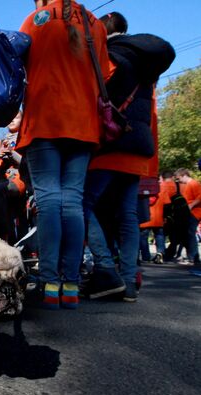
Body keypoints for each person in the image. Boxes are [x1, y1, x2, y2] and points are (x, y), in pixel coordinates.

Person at [15, 0, 109, 310]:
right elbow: (104, 75)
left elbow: (17, 67)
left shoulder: (35, 20)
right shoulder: (94, 23)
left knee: (49, 202)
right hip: (83, 125)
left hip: (45, 120)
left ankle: (49, 284)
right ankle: (70, 285)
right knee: (72, 201)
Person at [82, 12, 175, 302]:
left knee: (83, 205)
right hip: (137, 146)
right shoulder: (147, 65)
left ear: (103, 30)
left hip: (109, 143)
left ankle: (106, 269)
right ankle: (129, 282)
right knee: (128, 216)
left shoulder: (110, 56)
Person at [0, 111, 27, 245]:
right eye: (10, 117)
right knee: (7, 212)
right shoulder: (1, 141)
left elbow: (26, 163)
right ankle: (10, 240)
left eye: (16, 117)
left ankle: (5, 237)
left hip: (19, 180)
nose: (11, 120)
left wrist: (12, 154)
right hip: (2, 179)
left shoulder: (24, 139)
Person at [139, 174, 171, 264]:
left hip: (145, 218)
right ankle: (160, 253)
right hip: (158, 218)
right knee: (160, 235)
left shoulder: (141, 187)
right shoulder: (162, 188)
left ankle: (146, 257)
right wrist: (165, 217)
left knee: (143, 237)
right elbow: (167, 204)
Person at [174, 168, 201, 265]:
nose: (179, 181)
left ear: (184, 175)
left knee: (190, 233)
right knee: (187, 234)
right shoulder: (189, 184)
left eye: (179, 178)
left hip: (195, 212)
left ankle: (194, 257)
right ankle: (192, 256)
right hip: (191, 212)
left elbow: (200, 196)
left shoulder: (194, 184)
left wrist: (191, 205)